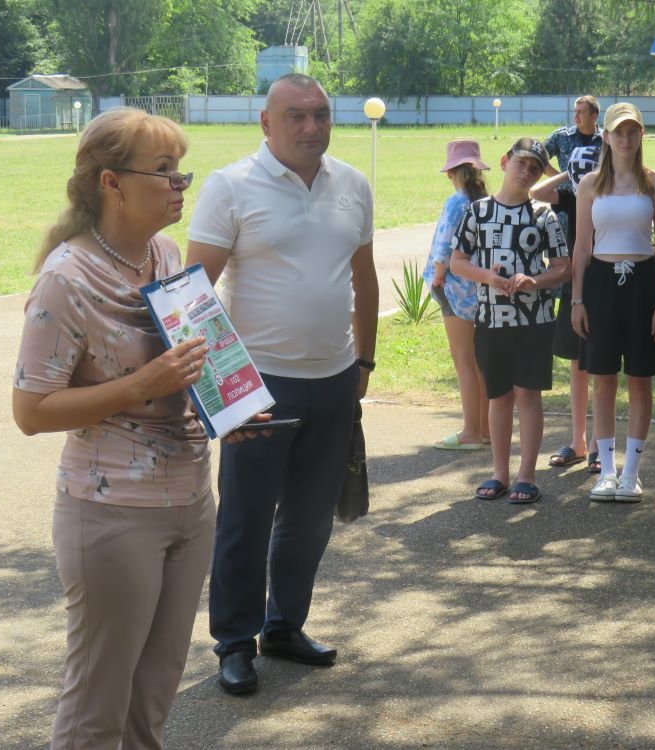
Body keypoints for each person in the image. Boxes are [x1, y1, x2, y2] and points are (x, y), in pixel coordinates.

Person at [12, 108, 214, 749]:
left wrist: (231, 407)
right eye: (163, 172)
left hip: (191, 500)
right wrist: (141, 385)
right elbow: (30, 411)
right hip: (112, 511)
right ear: (111, 183)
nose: (180, 184)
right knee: (96, 711)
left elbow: (189, 359)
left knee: (151, 702)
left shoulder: (166, 253)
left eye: (181, 171)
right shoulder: (66, 279)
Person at [187, 73, 378, 693]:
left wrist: (365, 366)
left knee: (310, 517)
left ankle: (284, 626)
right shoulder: (231, 186)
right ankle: (234, 642)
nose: (312, 127)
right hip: (257, 383)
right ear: (266, 123)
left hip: (335, 376)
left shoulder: (352, 184)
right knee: (246, 516)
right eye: (296, 116)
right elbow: (196, 298)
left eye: (321, 115)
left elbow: (365, 279)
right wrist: (222, 396)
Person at [450, 137, 570, 504]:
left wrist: (534, 281)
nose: (527, 172)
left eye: (535, 168)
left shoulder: (544, 216)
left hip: (534, 321)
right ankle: (499, 473)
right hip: (491, 320)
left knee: (527, 395)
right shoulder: (478, 212)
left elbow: (564, 268)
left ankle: (526, 475)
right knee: (499, 396)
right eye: (522, 163)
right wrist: (489, 276)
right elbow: (458, 262)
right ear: (504, 162)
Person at [570, 103, 655, 502]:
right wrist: (577, 299)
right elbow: (581, 247)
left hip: (643, 282)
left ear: (641, 135)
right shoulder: (590, 185)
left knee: (640, 380)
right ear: (607, 137)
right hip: (601, 283)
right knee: (603, 379)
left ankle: (632, 471)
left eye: (632, 131)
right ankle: (606, 470)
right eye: (618, 132)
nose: (625, 139)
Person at [539, 95, 603, 470]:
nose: (576, 116)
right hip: (568, 257)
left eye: (582, 111)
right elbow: (535, 157)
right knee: (577, 362)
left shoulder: (605, 142)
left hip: (604, 264)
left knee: (600, 363)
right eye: (575, 111)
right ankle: (577, 441)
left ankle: (599, 443)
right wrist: (564, 177)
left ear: (595, 117)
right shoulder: (563, 138)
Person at [424, 140, 491, 450]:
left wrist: (438, 275)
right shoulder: (485, 201)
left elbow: (444, 244)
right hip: (477, 290)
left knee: (463, 362)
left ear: (453, 171)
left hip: (453, 288)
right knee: (479, 363)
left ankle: (470, 432)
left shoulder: (456, 202)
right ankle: (486, 428)